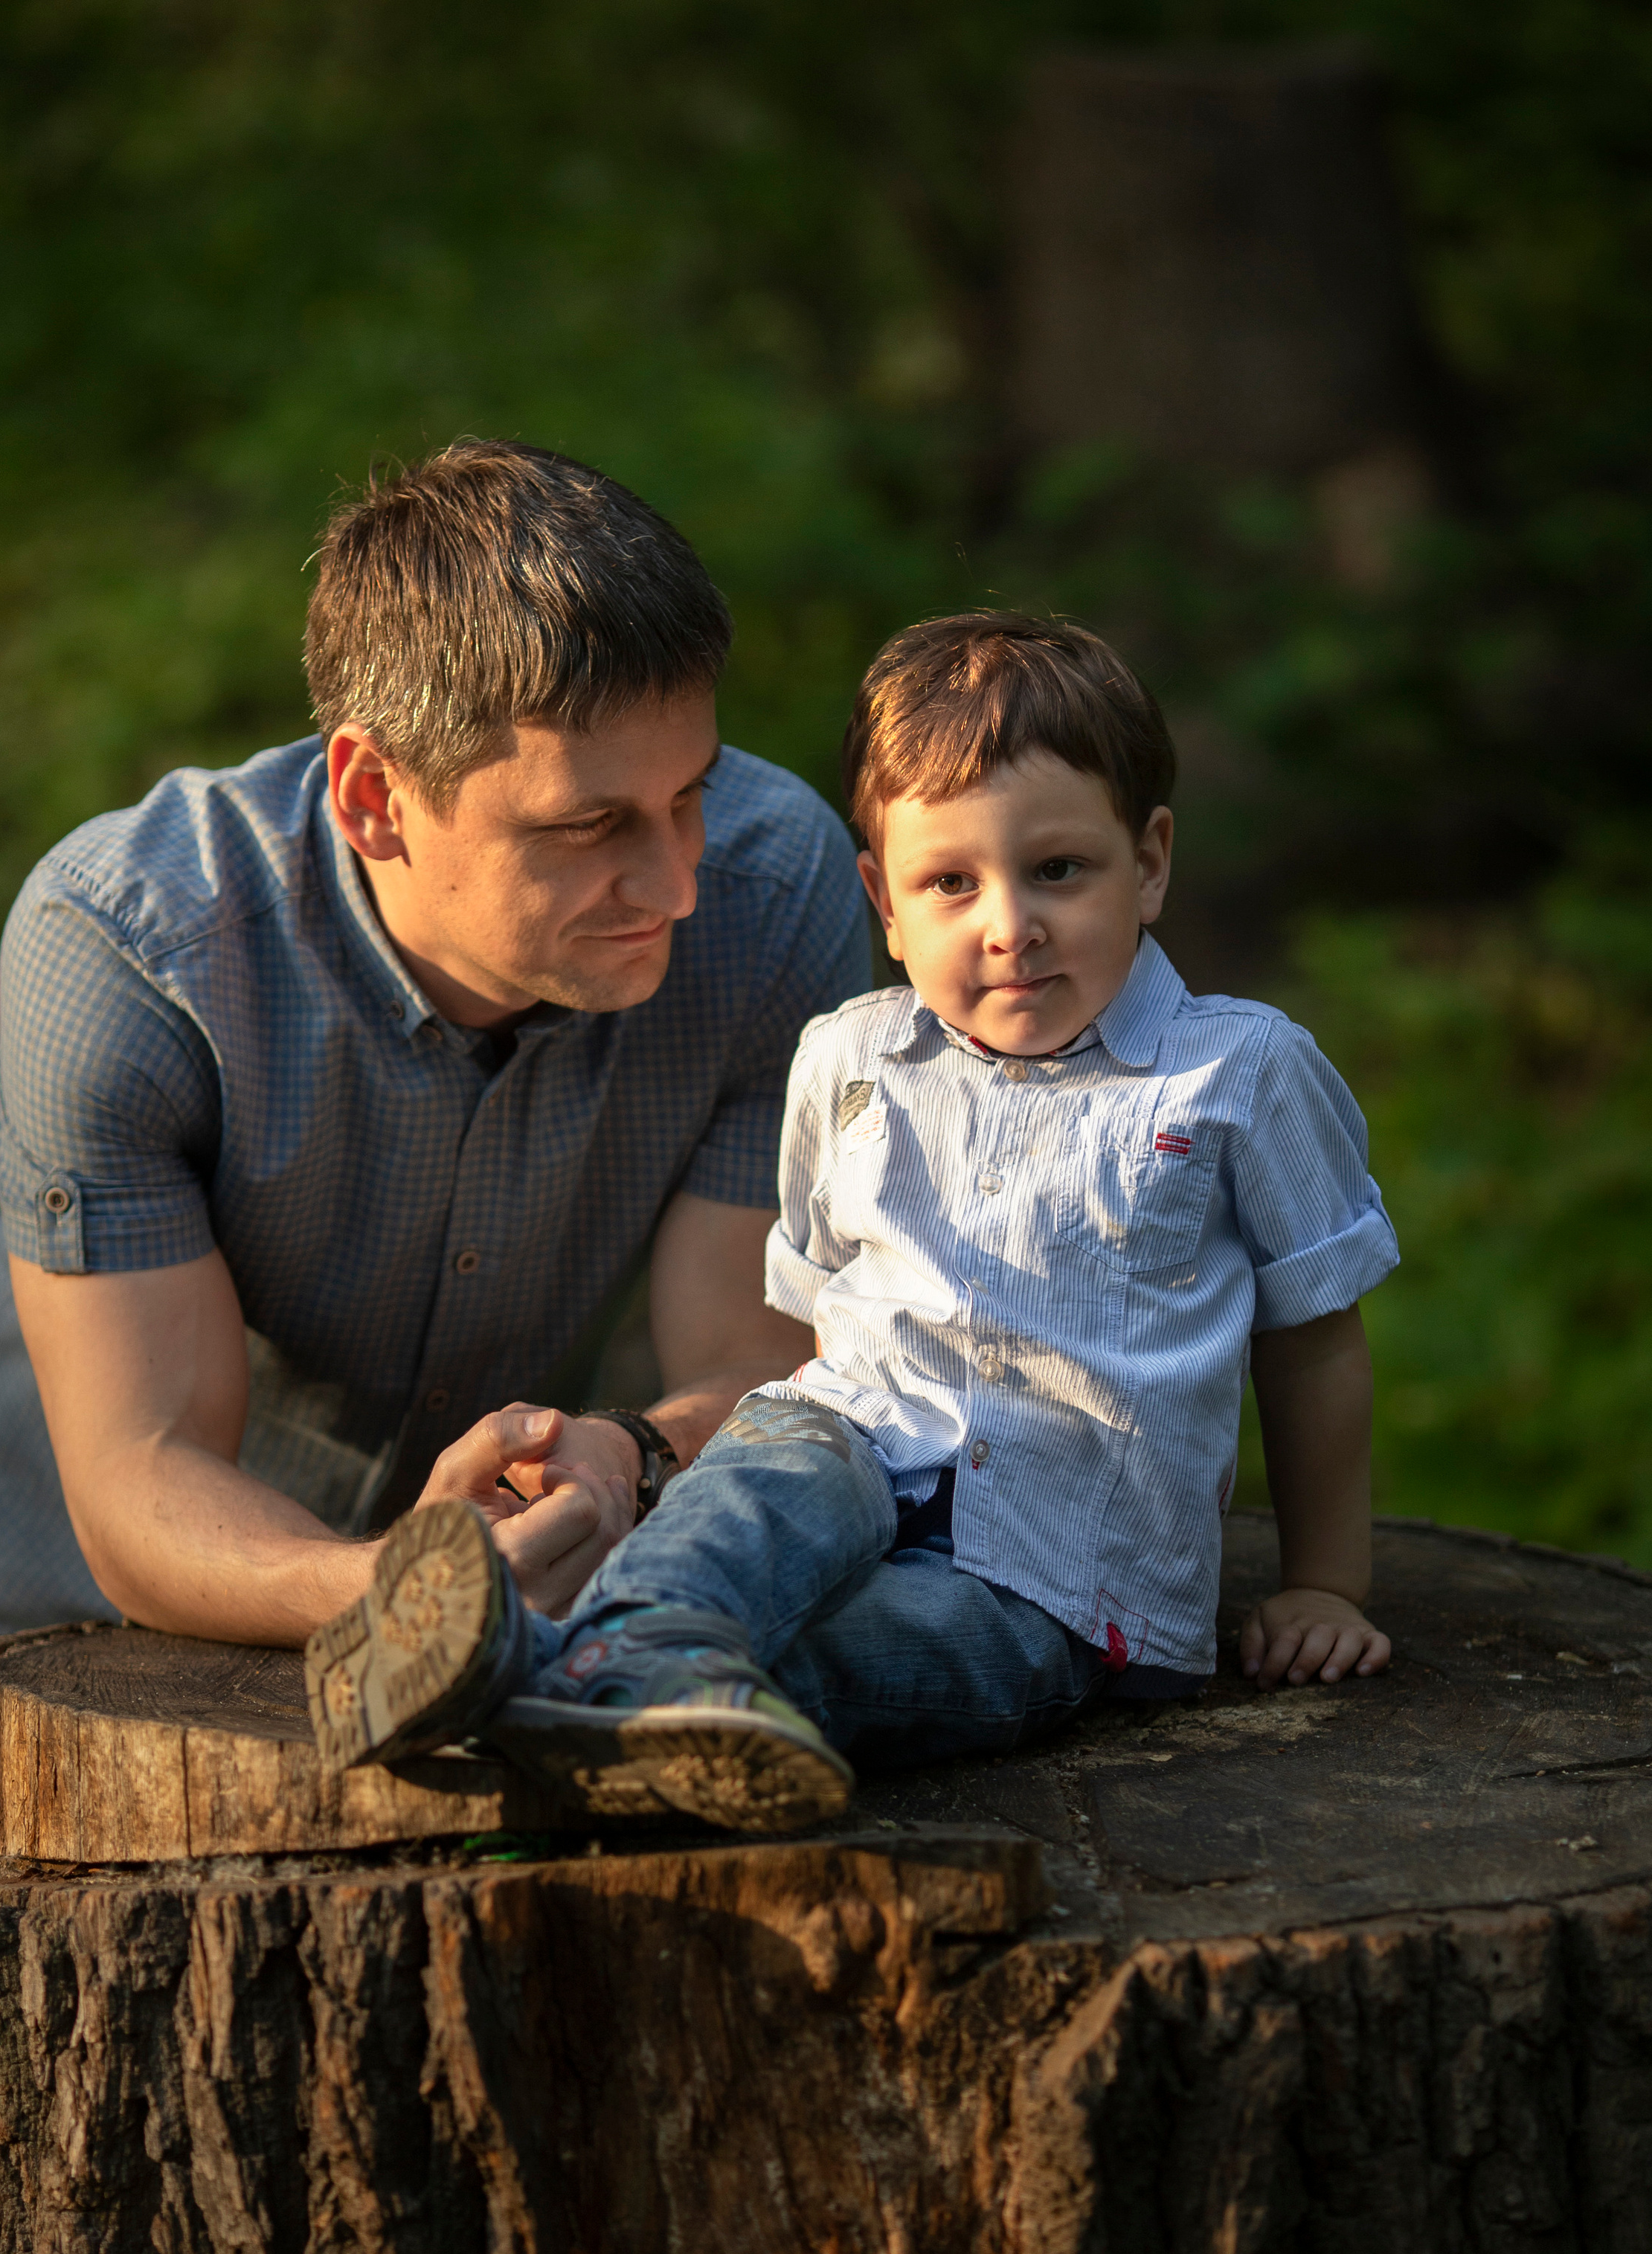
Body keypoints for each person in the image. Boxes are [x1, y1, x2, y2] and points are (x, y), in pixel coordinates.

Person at [302, 611, 1401, 1834]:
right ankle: (632, 1654)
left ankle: (537, 1680)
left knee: (853, 1652)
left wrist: (1322, 1584)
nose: (1008, 926)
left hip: (1053, 1575)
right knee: (762, 1485)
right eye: (950, 882)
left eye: (1059, 872)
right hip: (854, 1445)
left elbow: (1314, 1343)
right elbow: (823, 1331)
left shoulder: (1236, 1076)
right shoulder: (851, 1058)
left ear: (1148, 862)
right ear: (884, 898)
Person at [0, 441, 871, 1690]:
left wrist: (629, 1455)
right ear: (375, 795)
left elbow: (752, 1357)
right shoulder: (128, 947)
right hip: (27, 1632)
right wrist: (416, 1583)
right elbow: (142, 1472)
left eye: (691, 795)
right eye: (591, 826)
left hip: (460, 1629)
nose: (679, 880)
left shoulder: (779, 894)